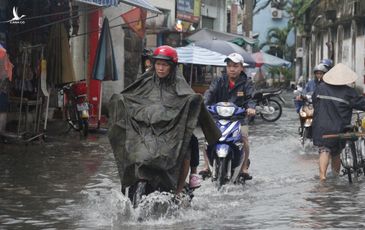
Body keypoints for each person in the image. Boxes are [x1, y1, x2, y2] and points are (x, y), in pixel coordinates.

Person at [108, 45, 220, 195]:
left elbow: (187, 97)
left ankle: (179, 190)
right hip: (148, 128)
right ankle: (130, 181)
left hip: (173, 129)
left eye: (164, 65)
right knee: (132, 146)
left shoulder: (179, 82)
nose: (160, 68)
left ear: (172, 66)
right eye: (158, 64)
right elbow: (131, 95)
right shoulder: (146, 80)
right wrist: (120, 100)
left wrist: (194, 100)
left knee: (187, 144)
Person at [200, 53, 256, 180]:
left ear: (242, 67)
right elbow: (210, 93)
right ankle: (206, 166)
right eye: (229, 66)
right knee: (206, 138)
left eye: (235, 66)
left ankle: (244, 168)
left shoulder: (246, 83)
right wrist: (203, 104)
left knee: (245, 138)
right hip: (218, 117)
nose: (232, 69)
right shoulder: (219, 80)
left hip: (239, 118)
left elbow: (251, 98)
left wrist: (251, 108)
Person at [312, 63, 365, 181]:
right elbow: (361, 104)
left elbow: (314, 102)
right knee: (336, 152)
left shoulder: (320, 88)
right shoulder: (349, 92)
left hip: (320, 126)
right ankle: (335, 177)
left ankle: (322, 176)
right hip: (338, 127)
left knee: (324, 149)